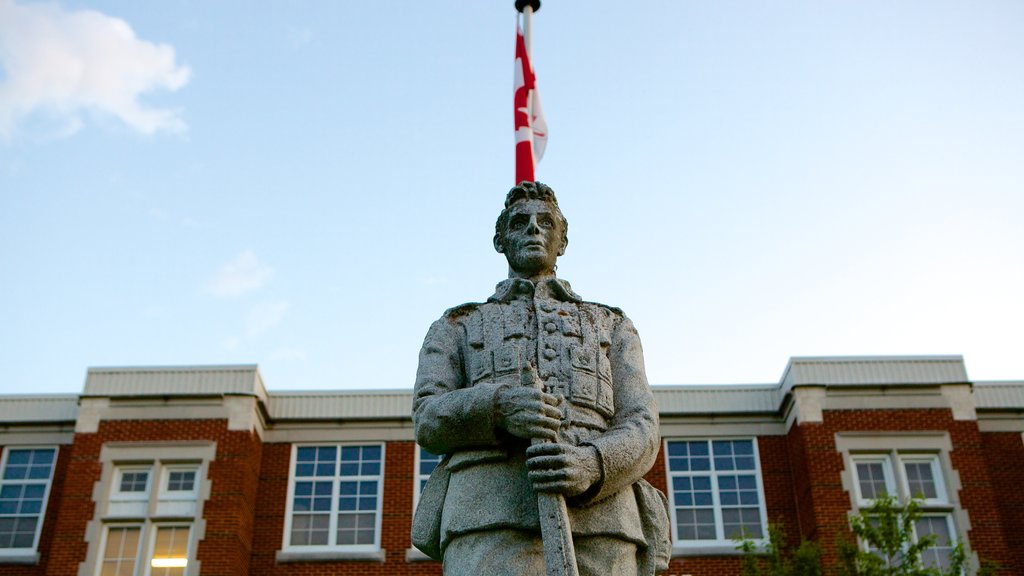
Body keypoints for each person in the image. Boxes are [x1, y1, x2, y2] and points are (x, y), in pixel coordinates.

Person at [412, 181, 669, 576]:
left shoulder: (611, 324)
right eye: (520, 222)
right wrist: (497, 409)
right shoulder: (457, 325)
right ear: (500, 240)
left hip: (605, 521)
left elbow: (642, 425)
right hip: (488, 517)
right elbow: (428, 417)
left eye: (545, 222)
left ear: (562, 241)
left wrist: (592, 464)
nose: (533, 229)